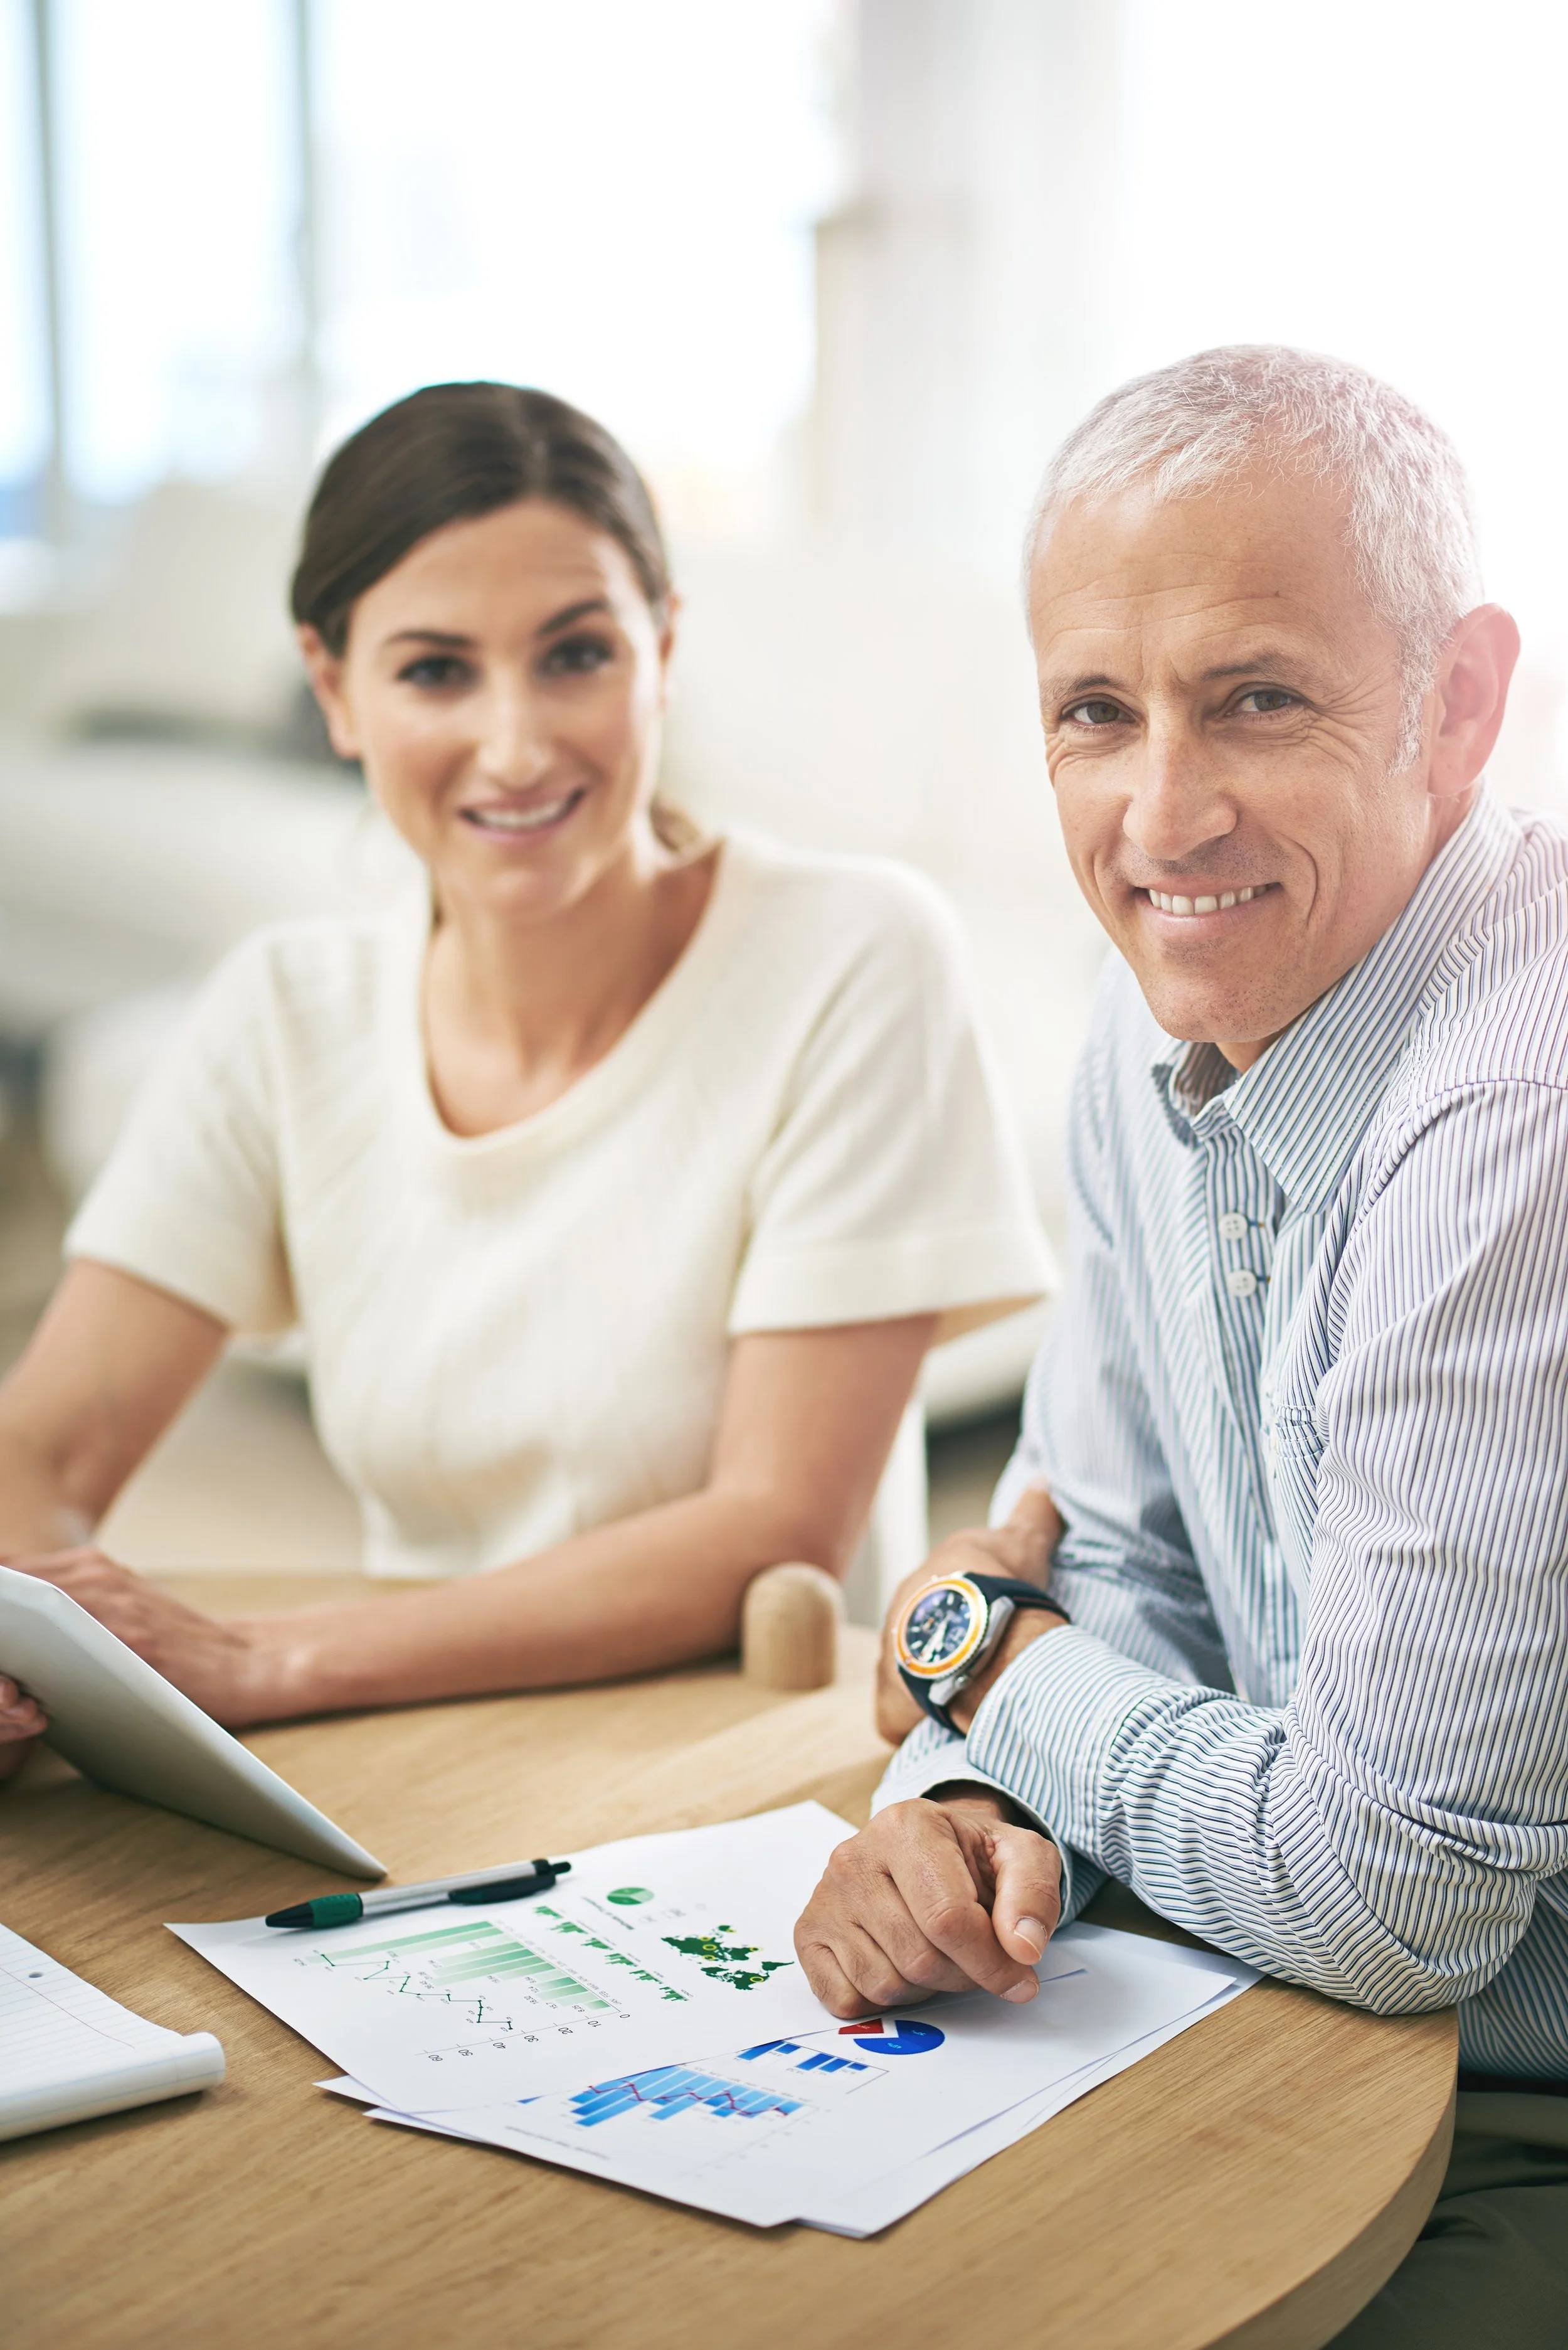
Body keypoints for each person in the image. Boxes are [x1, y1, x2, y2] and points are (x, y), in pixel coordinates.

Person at [795, 348, 1568, 2341]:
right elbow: (1105, 1554)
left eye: (1255, 699)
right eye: (1092, 713)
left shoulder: (1519, 1123)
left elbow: (1388, 1894)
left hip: (1509, 2111)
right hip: (1273, 2014)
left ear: (1457, 702)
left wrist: (976, 1664)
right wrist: (972, 1807)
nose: (1158, 813)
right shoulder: (1152, 1005)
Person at [0, 381, 1049, 1768]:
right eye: (436, 670)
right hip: (403, 1745)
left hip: (753, 1771)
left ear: (663, 651)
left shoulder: (852, 955)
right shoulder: (285, 1011)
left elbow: (774, 1526)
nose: (516, 742)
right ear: (334, 691)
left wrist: (263, 1656)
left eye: (575, 656)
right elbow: (47, 1447)